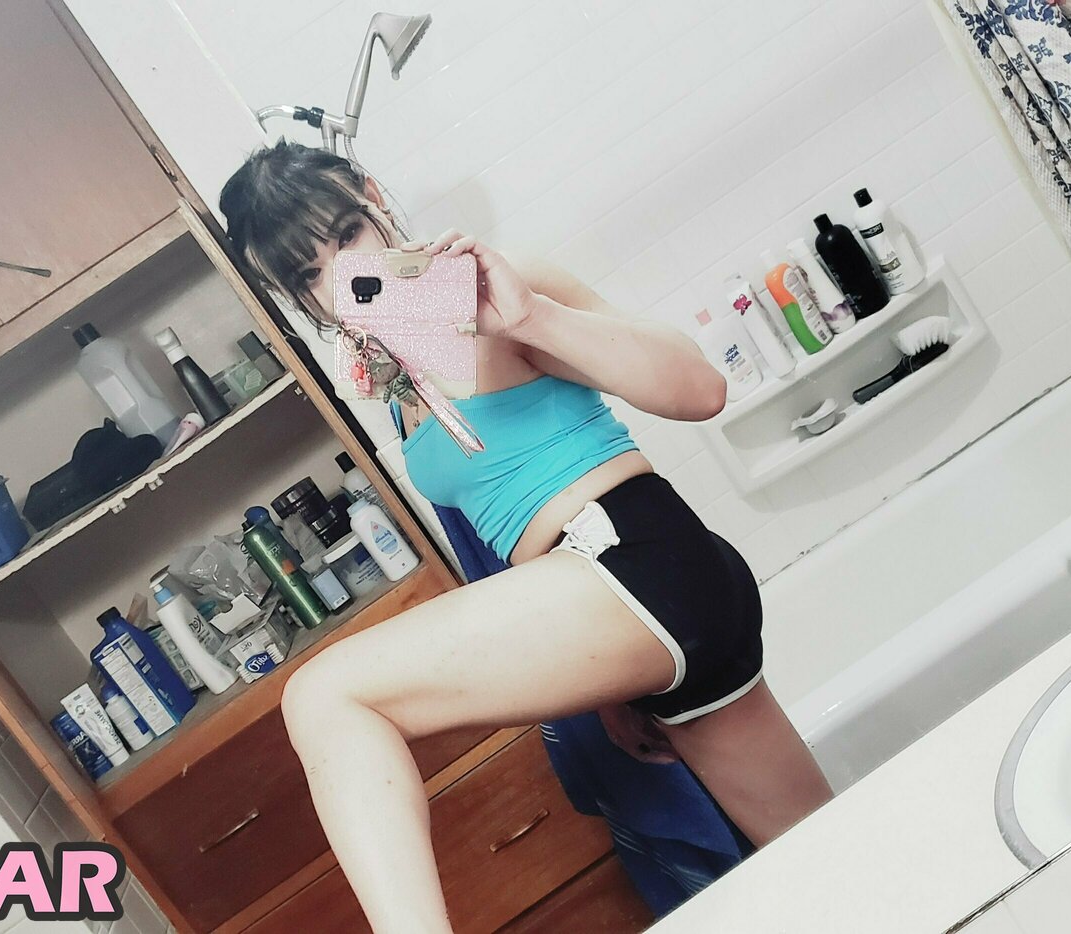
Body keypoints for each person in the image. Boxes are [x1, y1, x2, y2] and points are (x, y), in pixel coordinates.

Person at [219, 140, 831, 932]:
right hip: (633, 613)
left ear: (373, 196)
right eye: (310, 275)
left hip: (636, 558)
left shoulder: (496, 286)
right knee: (825, 861)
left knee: (323, 694)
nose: (343, 274)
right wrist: (609, 680)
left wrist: (529, 316)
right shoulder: (396, 372)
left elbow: (700, 388)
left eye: (346, 235)